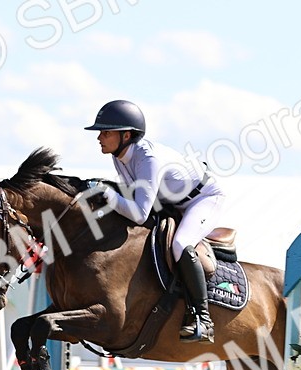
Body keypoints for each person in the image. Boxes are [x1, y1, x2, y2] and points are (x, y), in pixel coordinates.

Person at [86, 99, 224, 343]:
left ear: (126, 135)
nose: (99, 137)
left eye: (106, 132)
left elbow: (139, 213)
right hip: (170, 201)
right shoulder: (119, 156)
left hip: (203, 198)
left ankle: (203, 320)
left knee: (180, 244)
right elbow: (132, 196)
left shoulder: (148, 159)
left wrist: (108, 195)